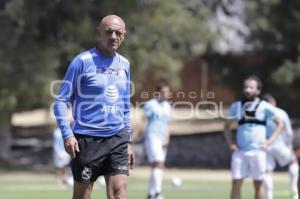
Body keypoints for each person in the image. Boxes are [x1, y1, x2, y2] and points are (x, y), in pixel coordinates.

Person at [53, 15, 134, 199]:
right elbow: (60, 101)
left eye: (118, 33)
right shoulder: (82, 61)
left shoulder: (125, 64)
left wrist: (128, 141)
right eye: (109, 32)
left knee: (119, 193)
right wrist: (67, 135)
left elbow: (125, 106)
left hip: (117, 138)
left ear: (124, 36)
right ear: (99, 32)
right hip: (87, 140)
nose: (113, 36)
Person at [224, 75, 283, 199]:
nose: (247, 90)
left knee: (258, 185)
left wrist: (270, 141)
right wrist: (231, 144)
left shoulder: (264, 107)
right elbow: (226, 127)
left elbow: (279, 123)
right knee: (236, 184)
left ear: (258, 91)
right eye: (245, 87)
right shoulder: (237, 106)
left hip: (258, 151)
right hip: (240, 152)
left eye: (251, 87)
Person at [262, 94, 299, 199]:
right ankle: (294, 190)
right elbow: (289, 132)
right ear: (273, 102)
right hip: (279, 144)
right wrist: (289, 146)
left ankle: (269, 196)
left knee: (268, 171)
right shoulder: (280, 112)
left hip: (264, 146)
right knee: (293, 161)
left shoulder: (260, 113)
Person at [144, 83, 172, 199]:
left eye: (168, 91)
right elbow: (143, 120)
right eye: (165, 91)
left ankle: (151, 194)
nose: (167, 93)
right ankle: (158, 193)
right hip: (152, 137)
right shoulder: (151, 104)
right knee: (159, 163)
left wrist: (167, 137)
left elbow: (167, 123)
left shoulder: (168, 106)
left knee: (156, 166)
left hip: (162, 139)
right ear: (159, 92)